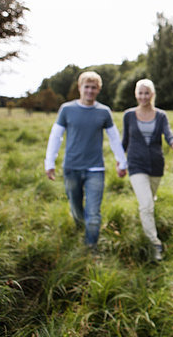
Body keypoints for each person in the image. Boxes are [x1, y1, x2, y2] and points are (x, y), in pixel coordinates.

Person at [45, 71, 128, 253]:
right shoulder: (67, 109)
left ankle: (91, 248)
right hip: (72, 167)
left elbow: (114, 138)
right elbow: (56, 136)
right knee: (75, 208)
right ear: (80, 88)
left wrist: (122, 162)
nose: (90, 91)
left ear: (98, 90)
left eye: (94, 88)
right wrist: (49, 162)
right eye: (87, 87)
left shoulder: (104, 112)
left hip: (95, 169)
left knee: (94, 213)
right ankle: (80, 226)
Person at [122, 79, 173, 261]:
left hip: (156, 165)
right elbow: (124, 141)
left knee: (149, 200)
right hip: (135, 164)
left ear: (152, 94)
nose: (143, 96)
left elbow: (169, 135)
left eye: (146, 93)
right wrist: (120, 162)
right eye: (140, 93)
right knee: (147, 205)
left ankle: (147, 214)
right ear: (135, 94)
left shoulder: (161, 116)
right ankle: (154, 244)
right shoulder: (128, 115)